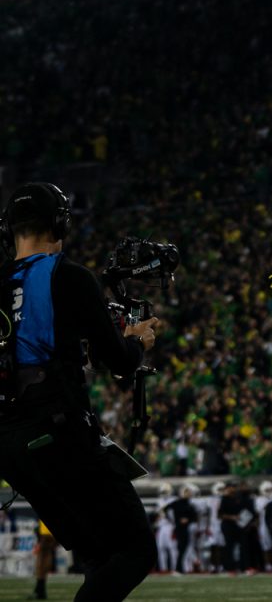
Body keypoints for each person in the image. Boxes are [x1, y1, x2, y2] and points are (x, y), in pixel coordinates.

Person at [0, 182, 160, 601]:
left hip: (10, 448)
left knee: (98, 555)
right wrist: (137, 340)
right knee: (134, 551)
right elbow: (121, 362)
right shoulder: (68, 276)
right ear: (60, 223)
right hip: (57, 432)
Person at [30, 521, 57, 600]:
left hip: (45, 533)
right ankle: (40, 591)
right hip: (49, 533)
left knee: (40, 565)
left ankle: (40, 591)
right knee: (43, 564)